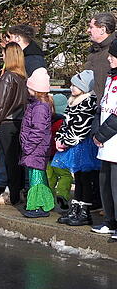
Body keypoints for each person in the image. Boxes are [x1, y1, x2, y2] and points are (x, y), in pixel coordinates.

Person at [55, 70, 100, 226]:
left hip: (83, 145)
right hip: (74, 144)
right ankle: (75, 208)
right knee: (78, 178)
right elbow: (66, 123)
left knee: (85, 179)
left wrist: (66, 140)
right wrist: (59, 138)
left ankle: (85, 211)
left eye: (76, 85)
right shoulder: (73, 100)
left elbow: (82, 127)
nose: (72, 88)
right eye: (72, 84)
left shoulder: (88, 101)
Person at [0, 43, 28, 205]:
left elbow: (0, 104)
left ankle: (11, 195)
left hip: (7, 123)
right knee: (17, 160)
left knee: (9, 161)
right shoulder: (22, 77)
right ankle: (18, 192)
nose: (2, 57)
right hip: (20, 122)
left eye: (3, 54)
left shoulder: (8, 77)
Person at [19, 68, 56, 218]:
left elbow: (38, 130)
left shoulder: (39, 107)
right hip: (36, 148)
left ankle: (37, 206)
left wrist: (28, 146)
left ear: (35, 88)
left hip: (35, 149)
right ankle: (43, 203)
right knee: (37, 176)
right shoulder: (38, 104)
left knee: (36, 178)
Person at [91, 42, 117, 237]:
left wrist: (101, 134)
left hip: (113, 141)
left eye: (113, 56)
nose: (109, 58)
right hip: (106, 145)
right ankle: (110, 220)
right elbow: (102, 107)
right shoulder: (111, 77)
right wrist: (96, 131)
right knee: (105, 183)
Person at [84, 13, 115, 101]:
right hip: (91, 109)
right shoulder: (92, 53)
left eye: (91, 27)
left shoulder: (113, 53)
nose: (88, 30)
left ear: (102, 30)